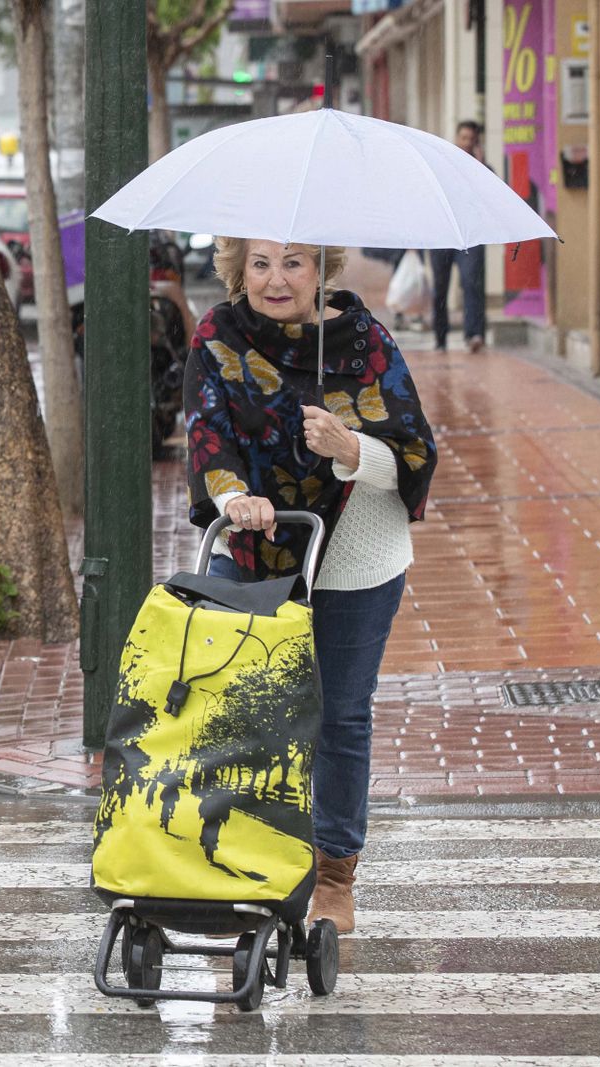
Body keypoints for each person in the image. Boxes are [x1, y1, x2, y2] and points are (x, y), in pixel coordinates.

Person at [183, 237, 438, 933]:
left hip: (357, 550)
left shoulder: (366, 342)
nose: (275, 279)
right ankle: (238, 853)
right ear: (239, 269)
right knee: (245, 708)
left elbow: (416, 452)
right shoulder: (220, 336)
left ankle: (333, 872)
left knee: (339, 713)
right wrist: (233, 495)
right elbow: (208, 435)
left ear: (319, 269)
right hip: (255, 545)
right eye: (260, 263)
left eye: (293, 262)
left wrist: (354, 451)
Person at [430, 120, 487, 353]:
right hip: (441, 236)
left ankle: (474, 334)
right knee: (440, 288)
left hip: (470, 237)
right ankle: (440, 338)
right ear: (456, 138)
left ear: (477, 142)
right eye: (463, 138)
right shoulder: (442, 164)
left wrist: (480, 166)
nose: (466, 143)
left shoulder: (483, 169)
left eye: (471, 140)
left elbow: (487, 199)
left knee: (471, 282)